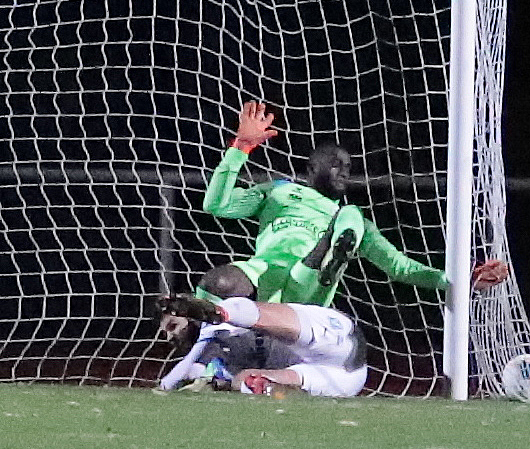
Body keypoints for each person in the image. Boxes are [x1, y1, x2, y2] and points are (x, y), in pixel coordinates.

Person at [194, 100, 507, 306]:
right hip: (264, 274)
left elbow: (400, 267)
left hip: (307, 290)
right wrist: (240, 148)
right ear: (311, 169)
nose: (344, 172)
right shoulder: (279, 191)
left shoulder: (351, 220)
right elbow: (216, 204)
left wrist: (463, 279)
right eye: (336, 165)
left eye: (348, 167)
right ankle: (205, 356)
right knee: (216, 282)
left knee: (351, 215)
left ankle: (330, 254)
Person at [158, 294, 368, 397]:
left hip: (338, 336)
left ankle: (221, 311)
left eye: (173, 325)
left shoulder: (213, 335)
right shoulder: (216, 358)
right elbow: (195, 371)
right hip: (344, 380)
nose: (170, 337)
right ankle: (275, 392)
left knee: (238, 313)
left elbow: (189, 369)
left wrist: (166, 387)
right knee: (245, 382)